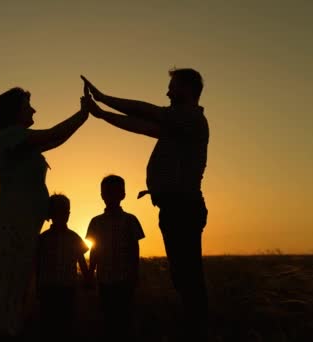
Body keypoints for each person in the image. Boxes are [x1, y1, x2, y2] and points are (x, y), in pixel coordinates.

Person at [82, 68, 210, 339]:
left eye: (172, 86)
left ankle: (198, 330)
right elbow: (141, 125)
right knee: (183, 277)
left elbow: (146, 112)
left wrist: (104, 99)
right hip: (175, 208)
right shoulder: (177, 125)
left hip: (183, 208)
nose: (167, 92)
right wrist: (103, 113)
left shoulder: (189, 118)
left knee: (188, 278)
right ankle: (195, 327)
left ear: (186, 89)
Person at [0, 86, 90, 340]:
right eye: (28, 105)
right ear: (14, 111)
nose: (34, 109)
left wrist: (82, 117)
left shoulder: (20, 139)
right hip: (15, 221)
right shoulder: (9, 136)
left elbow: (54, 139)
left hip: (24, 224)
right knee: (4, 273)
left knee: (14, 277)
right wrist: (82, 115)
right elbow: (53, 135)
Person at [85, 174, 145, 339]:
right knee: (108, 319)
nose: (111, 196)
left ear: (123, 195)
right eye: (108, 192)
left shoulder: (130, 220)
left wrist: (134, 273)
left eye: (115, 192)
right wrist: (90, 273)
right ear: (102, 195)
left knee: (124, 319)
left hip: (125, 279)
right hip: (104, 279)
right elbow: (94, 250)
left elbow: (134, 248)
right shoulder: (96, 222)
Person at [35, 193, 90, 340]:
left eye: (66, 211)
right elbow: (37, 264)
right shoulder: (43, 239)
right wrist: (36, 286)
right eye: (59, 211)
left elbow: (81, 259)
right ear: (51, 214)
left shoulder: (73, 237)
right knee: (48, 325)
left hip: (67, 287)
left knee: (66, 325)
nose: (64, 215)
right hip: (48, 287)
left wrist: (87, 279)